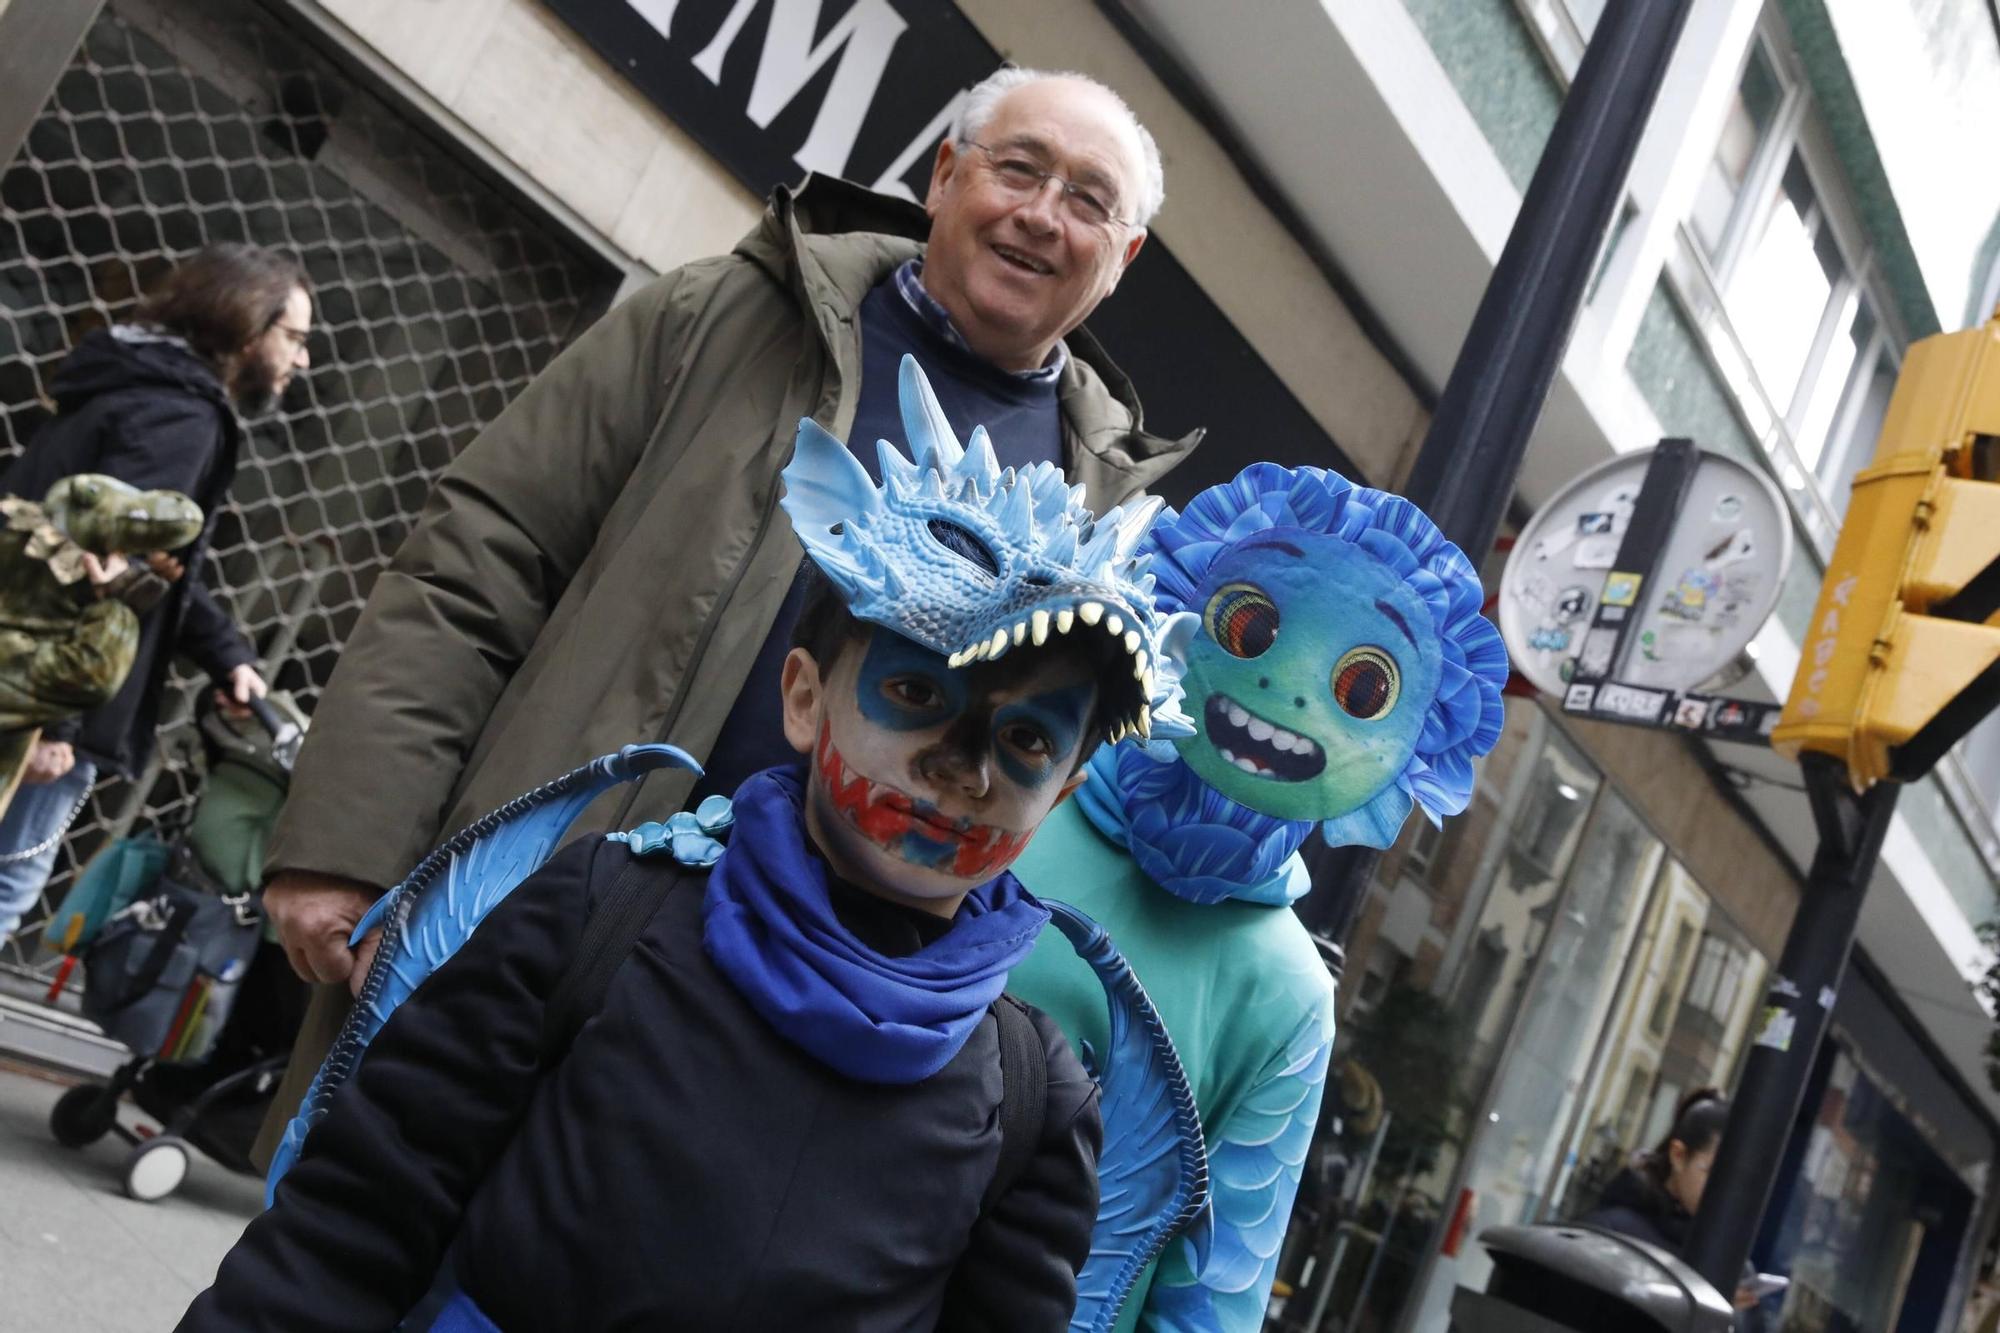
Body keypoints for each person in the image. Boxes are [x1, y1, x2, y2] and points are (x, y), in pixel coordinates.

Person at [253, 66, 1197, 1163]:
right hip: (531, 925)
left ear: (1120, 257)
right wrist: (351, 842)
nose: (1042, 215)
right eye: (1017, 168)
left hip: (801, 1060)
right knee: (364, 1250)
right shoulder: (726, 316)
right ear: (943, 176)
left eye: (1089, 200)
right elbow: (480, 560)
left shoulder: (1105, 510)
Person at [181, 358, 1190, 1331]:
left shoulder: (1034, 1099)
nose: (959, 766)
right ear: (802, 698)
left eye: (1023, 742)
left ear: (1057, 794)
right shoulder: (595, 915)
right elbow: (350, 1226)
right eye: (917, 694)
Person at [1006, 462, 1510, 1331]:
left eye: (1361, 689)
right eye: (1249, 625)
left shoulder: (1287, 997)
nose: (1291, 689)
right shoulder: (1015, 792)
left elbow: (1213, 1297)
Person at [0, 243, 305, 944]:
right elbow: (102, 558)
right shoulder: (183, 415)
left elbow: (150, 567)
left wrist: (226, 652)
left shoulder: (129, 380)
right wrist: (60, 725)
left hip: (21, 663)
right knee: (8, 881)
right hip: (47, 694)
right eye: (294, 338)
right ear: (246, 324)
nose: (302, 359)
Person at [1582, 1088, 1767, 1326]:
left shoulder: (1737, 1269)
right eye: (1712, 1173)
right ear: (1678, 1156)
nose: (1726, 1192)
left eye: (1740, 1180)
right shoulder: (1610, 1233)